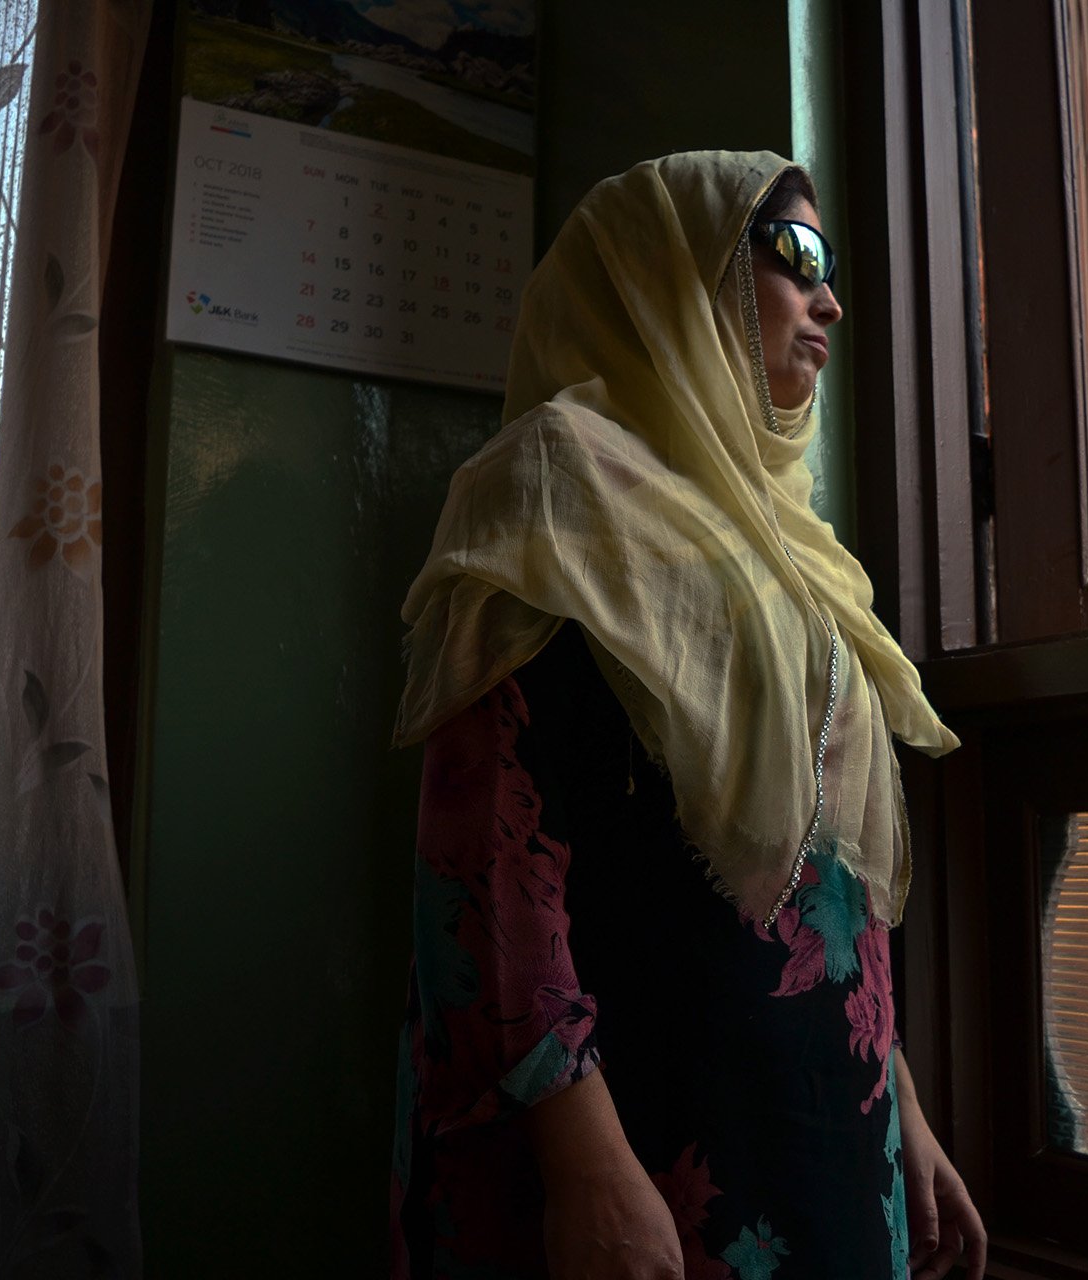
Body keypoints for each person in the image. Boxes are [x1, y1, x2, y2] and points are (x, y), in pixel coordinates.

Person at [389, 150, 986, 1280]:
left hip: (821, 1127)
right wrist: (582, 1160)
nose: (829, 298)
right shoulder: (557, 490)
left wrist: (897, 1099)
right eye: (795, 255)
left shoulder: (791, 548)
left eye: (830, 266)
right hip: (645, 1137)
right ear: (670, 275)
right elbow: (486, 860)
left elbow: (828, 873)